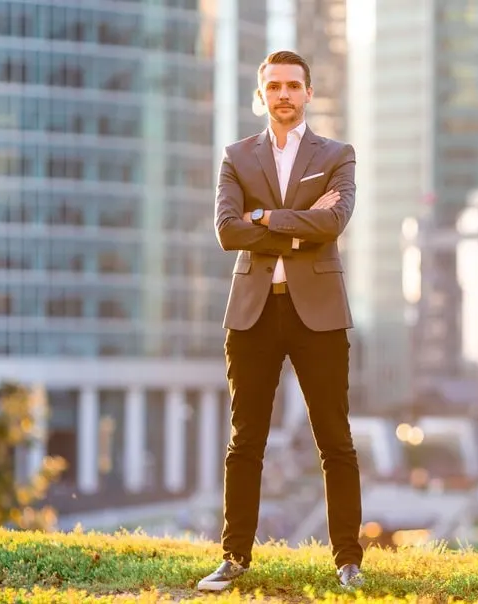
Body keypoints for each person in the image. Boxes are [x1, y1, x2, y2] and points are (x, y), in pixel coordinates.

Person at [197, 50, 364, 592]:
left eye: (294, 85)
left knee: (335, 441)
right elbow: (226, 231)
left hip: (318, 315)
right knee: (245, 442)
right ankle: (234, 558)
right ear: (262, 94)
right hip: (253, 313)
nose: (285, 95)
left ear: (309, 93)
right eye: (275, 87)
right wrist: (300, 226)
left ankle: (348, 561)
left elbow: (334, 221)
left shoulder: (337, 154)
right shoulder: (236, 157)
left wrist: (264, 218)